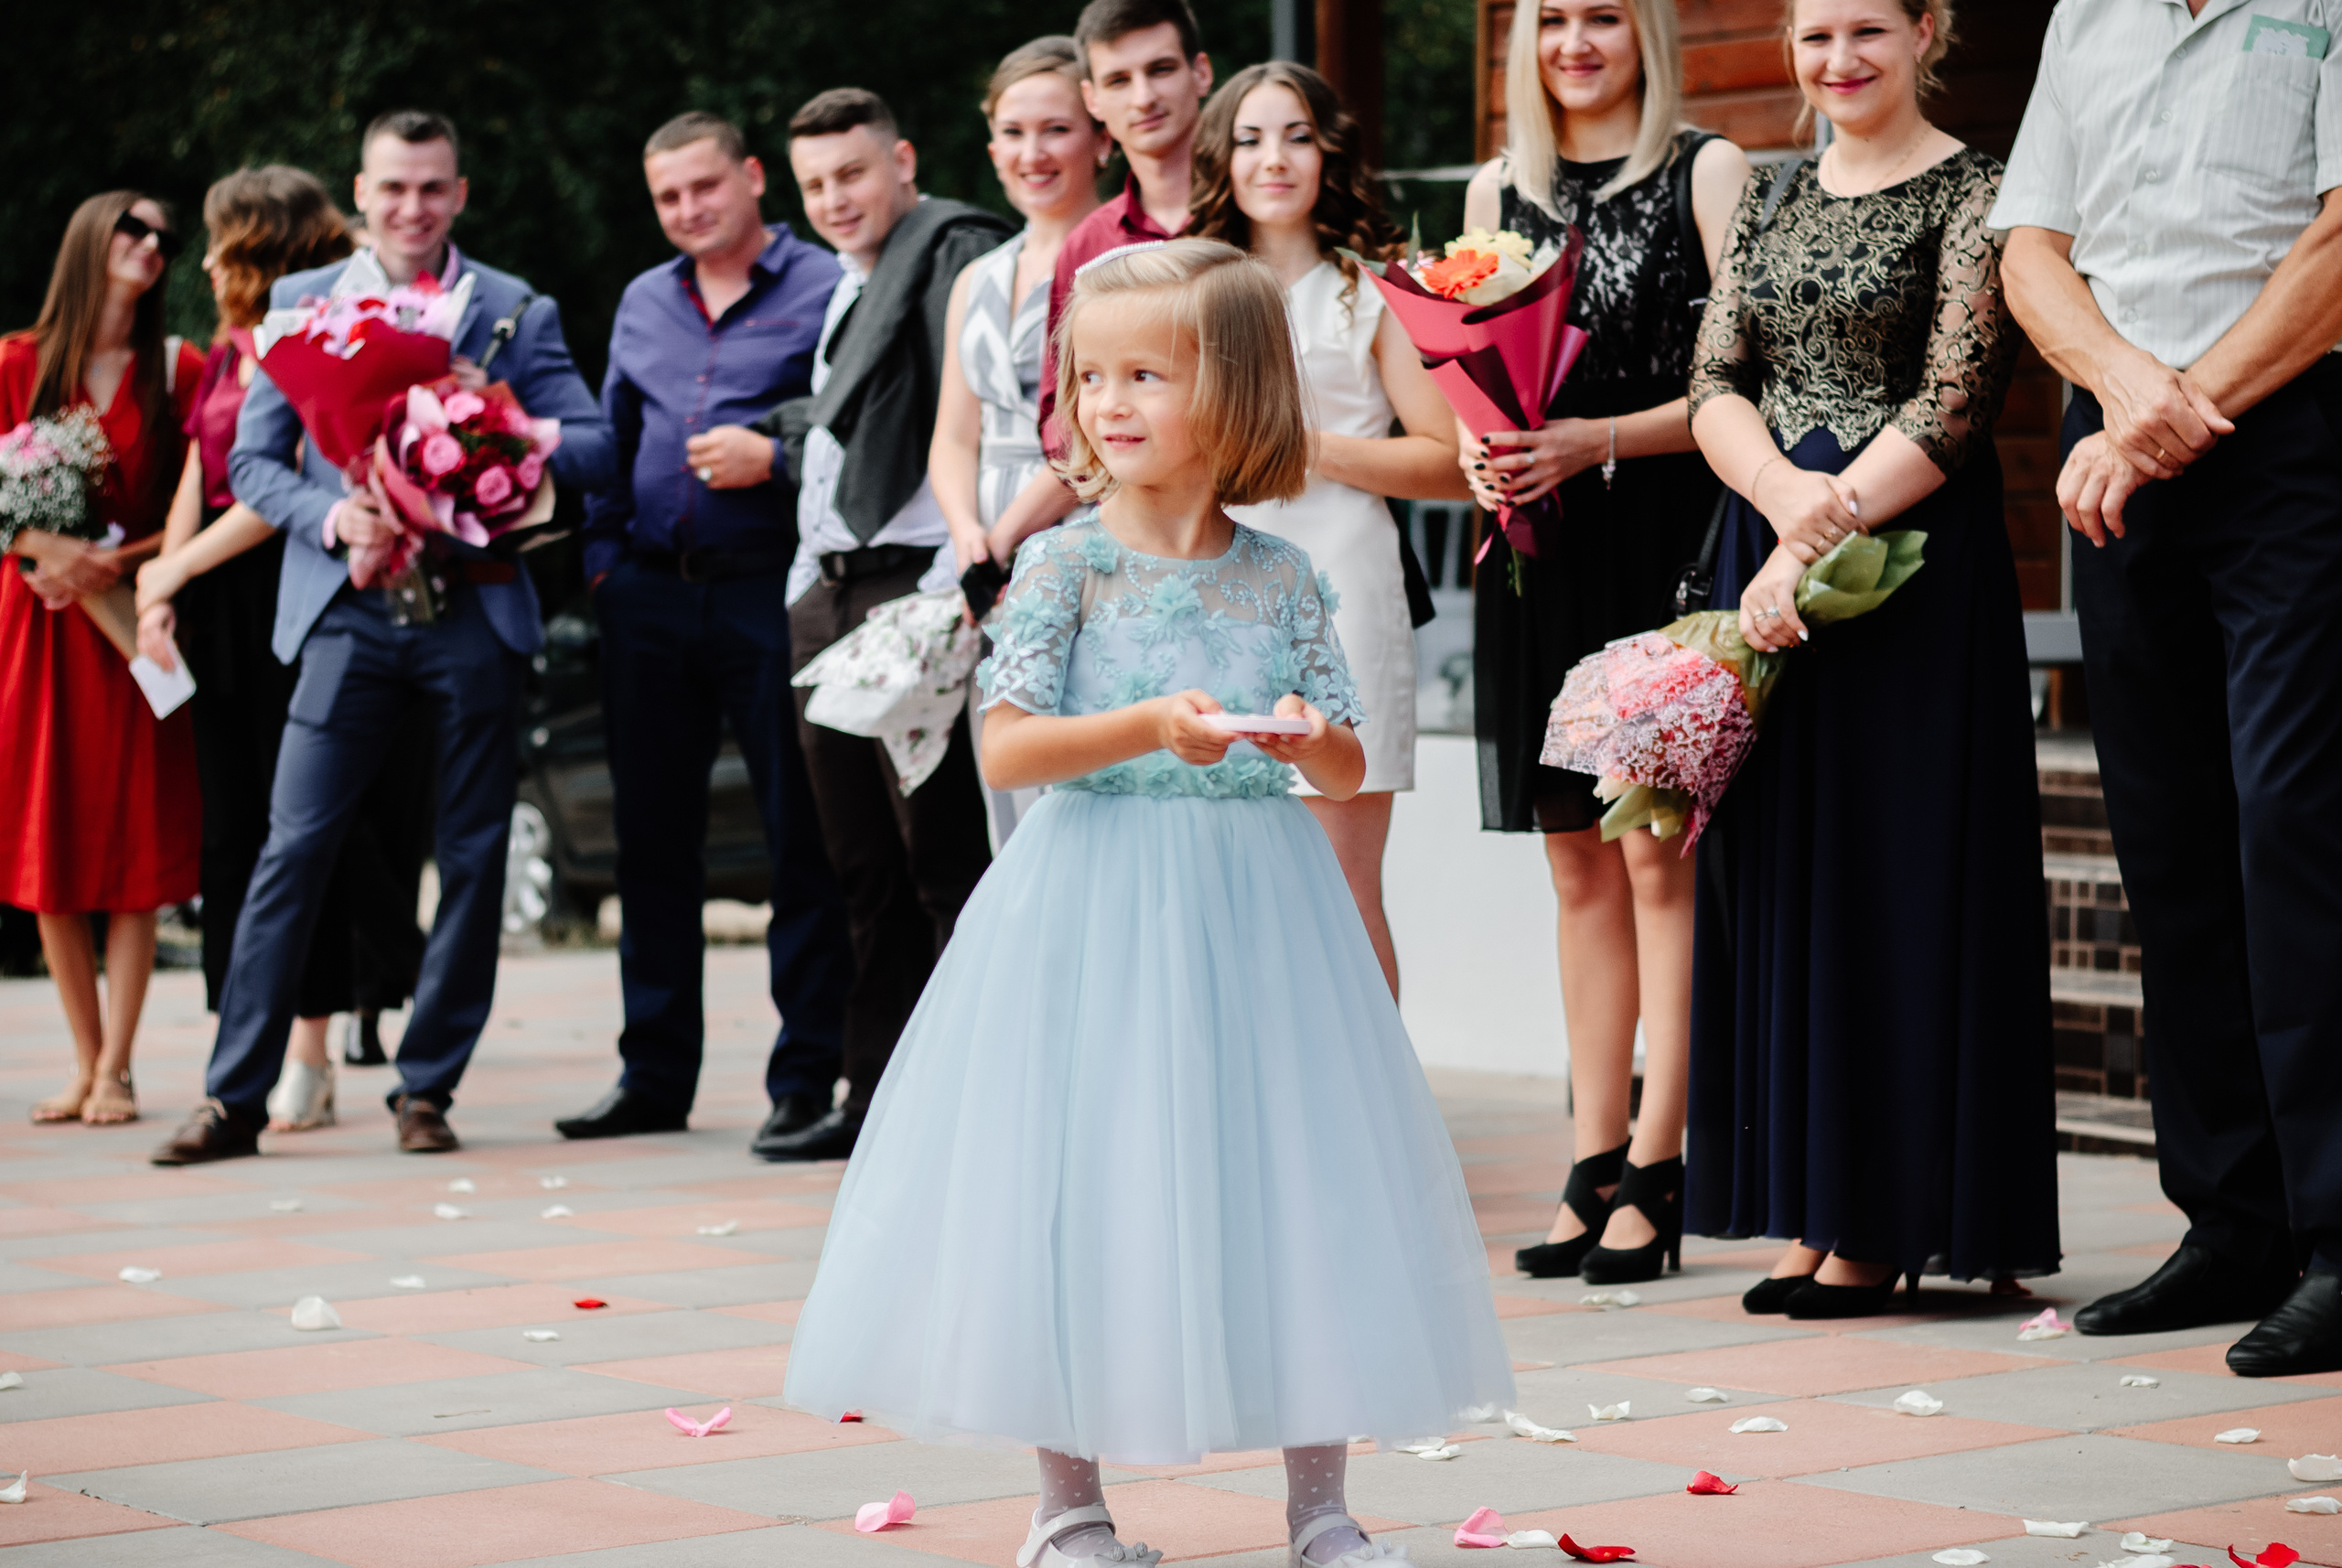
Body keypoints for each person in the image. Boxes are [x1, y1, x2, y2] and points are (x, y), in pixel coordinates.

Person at [782, 241, 1513, 1568]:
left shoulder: (1285, 575)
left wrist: (1301, 737)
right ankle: (1068, 1506)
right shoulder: (1064, 567)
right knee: (1079, 1175)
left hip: (1260, 909)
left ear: (1233, 393)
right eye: (1088, 375)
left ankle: (1322, 1507)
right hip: (1094, 900)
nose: (1105, 403)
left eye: (1145, 375)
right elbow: (1004, 748)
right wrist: (1143, 728)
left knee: (1296, 1173)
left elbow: (1345, 753)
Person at [1683, 0, 2057, 1316]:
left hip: (1906, 574)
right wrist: (1783, 508)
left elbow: (1957, 402)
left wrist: (1814, 525)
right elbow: (1713, 378)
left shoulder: (1981, 186)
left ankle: (1893, 1212)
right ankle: (1812, 1199)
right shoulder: (1773, 190)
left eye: (1866, 31)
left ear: (1927, 31)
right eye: (1814, 34)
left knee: (1894, 874)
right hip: (1775, 547)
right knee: (1784, 874)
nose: (1836, 60)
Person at [151, 109, 615, 1164]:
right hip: (346, 614)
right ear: (360, 194)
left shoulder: (513, 310)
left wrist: (496, 427)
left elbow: (593, 447)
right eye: (394, 188)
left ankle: (427, 1088)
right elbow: (257, 466)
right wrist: (331, 515)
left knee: (471, 855)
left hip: (473, 608)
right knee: (292, 847)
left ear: (460, 193)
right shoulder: (299, 304)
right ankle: (234, 1098)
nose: (414, 208)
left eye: (434, 189)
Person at [1995, 0, 2342, 1376]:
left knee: (2296, 832)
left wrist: (2169, 405)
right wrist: (2125, 387)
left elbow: (2335, 248)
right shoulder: (2090, 16)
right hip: (2120, 448)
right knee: (2170, 841)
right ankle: (2234, 1223)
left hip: (2288, 438)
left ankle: (2338, 1236)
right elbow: (2032, 251)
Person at [1458, 0, 1751, 1282]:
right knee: (1576, 866)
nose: (1576, 40)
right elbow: (1477, 377)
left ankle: (1663, 1159)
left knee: (1655, 864)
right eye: (1554, 18)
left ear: (1646, 34)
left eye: (1603, 15)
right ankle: (1592, 1158)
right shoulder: (1491, 192)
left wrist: (1599, 439)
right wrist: (1484, 448)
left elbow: (1744, 385)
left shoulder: (1709, 171)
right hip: (1540, 559)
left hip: (1660, 551)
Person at [555, 112, 854, 1155]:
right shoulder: (644, 300)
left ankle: (806, 1072)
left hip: (769, 591)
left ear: (753, 178)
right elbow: (612, 433)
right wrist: (601, 564)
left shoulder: (824, 287)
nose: (688, 210)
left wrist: (770, 459)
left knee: (798, 836)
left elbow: (858, 421)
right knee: (651, 841)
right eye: (668, 196)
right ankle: (653, 1074)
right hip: (646, 592)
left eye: (704, 188)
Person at [745, 88, 1011, 1162]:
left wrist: (956, 584)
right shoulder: (846, 290)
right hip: (831, 591)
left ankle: (964, 1103)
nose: (834, 199)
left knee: (940, 857)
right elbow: (831, 453)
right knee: (858, 865)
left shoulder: (952, 255)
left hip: (919, 580)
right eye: (813, 185)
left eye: (852, 173)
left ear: (902, 161)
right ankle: (875, 1101)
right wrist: (804, 585)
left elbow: (977, 424)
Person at [134, 164, 424, 1135]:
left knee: (299, 831)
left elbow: (272, 496)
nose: (209, 262)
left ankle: (312, 1049)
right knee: (231, 835)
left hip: (283, 589)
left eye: (224, 242)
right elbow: (199, 466)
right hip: (211, 601)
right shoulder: (230, 347)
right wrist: (160, 582)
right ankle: (240, 1036)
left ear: (265, 245)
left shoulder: (316, 340)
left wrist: (175, 571)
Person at [1189, 61, 1473, 997]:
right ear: (1220, 157)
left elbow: (1445, 461)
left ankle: (1366, 1128)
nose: (1274, 158)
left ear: (1329, 154)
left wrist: (1307, 445)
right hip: (1211, 584)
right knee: (1217, 884)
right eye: (1251, 137)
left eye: (1298, 136)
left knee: (1343, 885)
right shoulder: (1190, 287)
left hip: (1340, 586)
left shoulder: (1372, 290)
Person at [0, 192, 203, 1127]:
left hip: (134, 624)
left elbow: (200, 498)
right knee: (48, 835)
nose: (153, 246)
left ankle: (119, 1068)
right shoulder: (14, 363)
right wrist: (44, 551)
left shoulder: (180, 367)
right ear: (88, 238)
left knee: (134, 837)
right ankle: (82, 1063)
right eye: (134, 228)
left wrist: (109, 564)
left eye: (164, 237)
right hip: (36, 625)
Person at [933, 37, 1111, 845]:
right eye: (1012, 131)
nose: (1030, 153)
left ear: (1100, 137)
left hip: (1070, 529)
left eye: (1055, 129)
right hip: (980, 550)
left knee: (1067, 787)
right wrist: (968, 539)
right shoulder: (975, 275)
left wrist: (1004, 544)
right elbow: (952, 434)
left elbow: (1093, 439)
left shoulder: (1116, 262)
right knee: (999, 795)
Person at [983, 0, 1216, 569]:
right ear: (1093, 99)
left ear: (1201, 72)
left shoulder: (1256, 214)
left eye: (1160, 69)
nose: (1143, 97)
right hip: (1128, 536)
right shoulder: (1088, 246)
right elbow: (1061, 418)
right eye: (1118, 79)